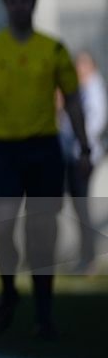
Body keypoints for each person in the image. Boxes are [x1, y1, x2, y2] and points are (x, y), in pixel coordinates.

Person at [0, 0, 89, 340]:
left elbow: (74, 99)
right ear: (6, 4)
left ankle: (44, 314)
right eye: (13, 0)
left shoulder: (53, 50)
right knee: (3, 229)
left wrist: (84, 145)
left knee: (41, 232)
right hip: (2, 150)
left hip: (44, 149)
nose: (19, 6)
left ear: (34, 4)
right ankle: (7, 291)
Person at [59, 51, 107, 273]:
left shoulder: (94, 90)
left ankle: (88, 258)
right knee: (78, 207)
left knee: (81, 206)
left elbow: (95, 123)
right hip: (72, 154)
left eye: (82, 64)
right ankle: (85, 257)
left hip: (83, 156)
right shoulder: (79, 89)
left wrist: (81, 143)